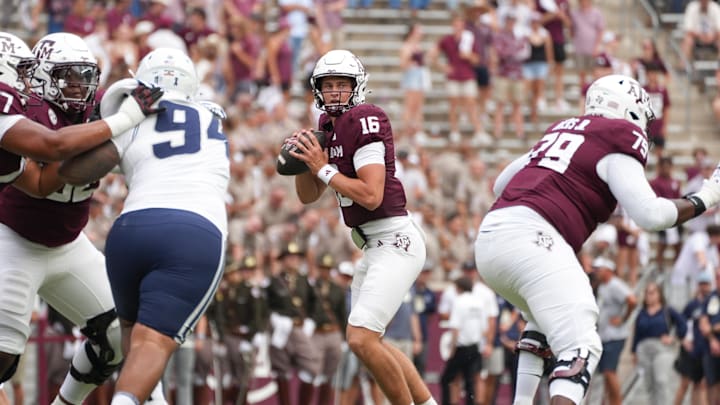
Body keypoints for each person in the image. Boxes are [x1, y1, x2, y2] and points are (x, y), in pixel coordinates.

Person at [473, 73, 720, 405]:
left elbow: (500, 185)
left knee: (542, 324)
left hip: (492, 237)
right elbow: (652, 215)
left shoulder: (562, 130)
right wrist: (706, 196)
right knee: (582, 346)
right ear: (630, 112)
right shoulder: (619, 136)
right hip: (533, 237)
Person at [57, 47, 230, 405]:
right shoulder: (211, 116)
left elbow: (72, 171)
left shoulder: (133, 117)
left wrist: (112, 127)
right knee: (152, 344)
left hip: (130, 230)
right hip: (192, 231)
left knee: (135, 342)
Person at [0, 32, 163, 405]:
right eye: (67, 76)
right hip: (13, 238)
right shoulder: (24, 113)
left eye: (83, 76)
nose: (78, 86)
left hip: (69, 245)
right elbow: (41, 179)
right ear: (39, 75)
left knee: (119, 337)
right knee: (4, 358)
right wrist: (103, 140)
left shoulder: (103, 110)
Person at [287, 49, 437, 405]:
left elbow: (371, 195)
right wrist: (304, 161)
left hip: (395, 240)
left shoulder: (366, 118)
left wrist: (324, 168)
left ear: (357, 87)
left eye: (342, 84)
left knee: (360, 339)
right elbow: (309, 196)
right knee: (372, 340)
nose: (335, 92)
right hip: (372, 246)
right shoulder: (325, 127)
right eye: (328, 85)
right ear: (317, 90)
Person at [593, 257, 636, 405]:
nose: (596, 272)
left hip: (614, 336)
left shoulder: (615, 284)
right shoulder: (604, 285)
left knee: (609, 372)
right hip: (605, 336)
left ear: (609, 270)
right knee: (606, 374)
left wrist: (623, 318)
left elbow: (632, 300)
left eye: (599, 269)